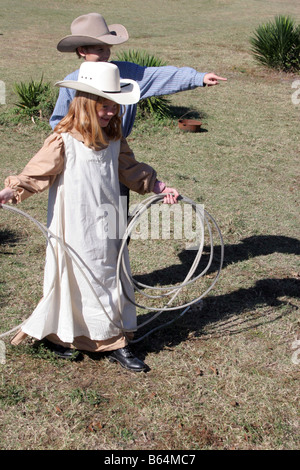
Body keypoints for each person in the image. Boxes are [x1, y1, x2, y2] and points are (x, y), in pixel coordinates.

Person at [0, 62, 179, 372]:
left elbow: (130, 168)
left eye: (114, 106)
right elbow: (36, 173)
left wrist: (159, 187)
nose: (110, 112)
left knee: (108, 272)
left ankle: (111, 337)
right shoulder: (64, 138)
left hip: (109, 217)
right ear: (85, 103)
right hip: (76, 221)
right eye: (104, 106)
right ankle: (69, 337)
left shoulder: (113, 137)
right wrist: (12, 191)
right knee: (78, 275)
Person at [50, 12, 227, 137]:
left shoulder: (126, 74)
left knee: (119, 190)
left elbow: (159, 76)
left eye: (108, 49)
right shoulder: (72, 83)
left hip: (119, 153)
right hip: (83, 156)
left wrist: (197, 78)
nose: (106, 55)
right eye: (99, 49)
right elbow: (59, 121)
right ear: (82, 50)